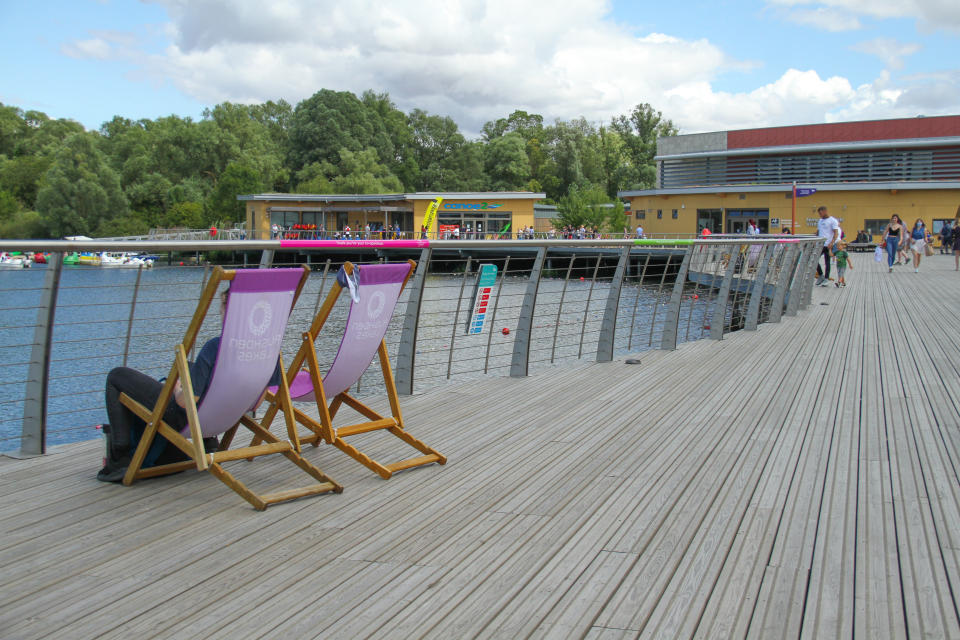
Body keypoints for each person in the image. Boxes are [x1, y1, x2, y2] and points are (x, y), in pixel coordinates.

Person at [97, 289, 280, 482]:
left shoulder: (215, 348)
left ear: (231, 309)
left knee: (117, 376)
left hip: (185, 418)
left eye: (223, 305)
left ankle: (121, 456)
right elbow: (256, 404)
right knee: (192, 369)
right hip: (225, 419)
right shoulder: (269, 350)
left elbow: (186, 403)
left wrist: (176, 388)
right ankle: (208, 443)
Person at [815, 206, 840, 286]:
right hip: (820, 244)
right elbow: (818, 232)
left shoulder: (832, 221)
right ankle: (821, 275)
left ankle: (826, 278)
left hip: (828, 244)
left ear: (825, 211)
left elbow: (836, 233)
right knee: (814, 259)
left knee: (827, 261)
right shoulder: (820, 221)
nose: (820, 215)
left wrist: (832, 242)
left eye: (820, 213)